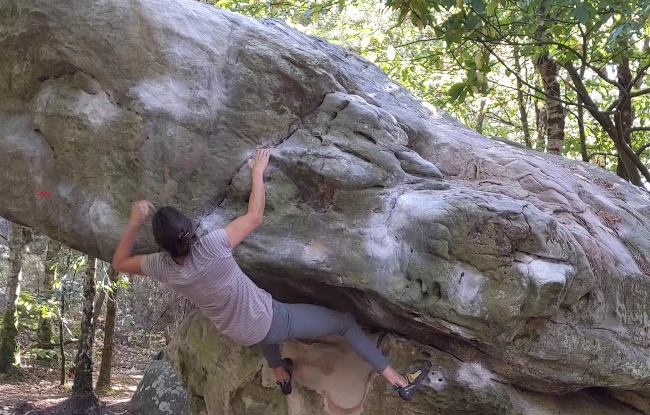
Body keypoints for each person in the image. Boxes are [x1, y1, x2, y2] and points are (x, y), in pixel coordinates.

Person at [112, 148, 426, 399]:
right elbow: (255, 216)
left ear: (163, 247)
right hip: (271, 320)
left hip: (238, 330)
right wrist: (258, 173)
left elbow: (119, 263)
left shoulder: (162, 268)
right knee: (343, 323)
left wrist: (134, 221)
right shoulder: (213, 246)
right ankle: (398, 380)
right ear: (189, 230)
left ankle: (280, 373)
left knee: (258, 318)